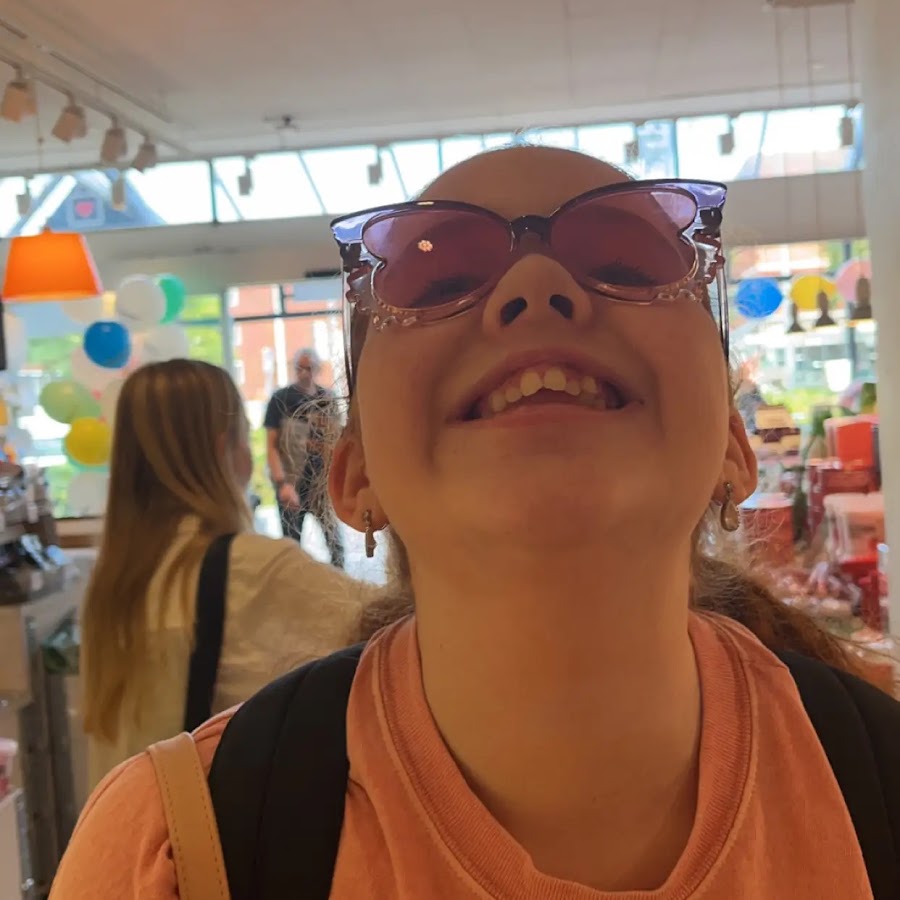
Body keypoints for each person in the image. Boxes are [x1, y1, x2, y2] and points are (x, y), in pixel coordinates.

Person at [52, 148, 899, 898]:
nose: (536, 287)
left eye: (628, 263)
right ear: (355, 475)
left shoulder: (882, 780)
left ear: (734, 449)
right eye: (439, 283)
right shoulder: (172, 849)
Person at [79, 359, 373, 788]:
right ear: (225, 451)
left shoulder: (115, 585)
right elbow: (397, 624)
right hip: (207, 825)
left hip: (127, 824)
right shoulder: (252, 569)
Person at [264, 347, 345, 567]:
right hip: (292, 480)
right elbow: (271, 446)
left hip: (321, 484)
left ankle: (339, 583)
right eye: (299, 368)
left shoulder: (327, 399)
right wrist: (282, 484)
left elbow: (337, 442)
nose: (304, 373)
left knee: (336, 545)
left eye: (308, 368)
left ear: (317, 369)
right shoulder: (281, 399)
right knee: (292, 548)